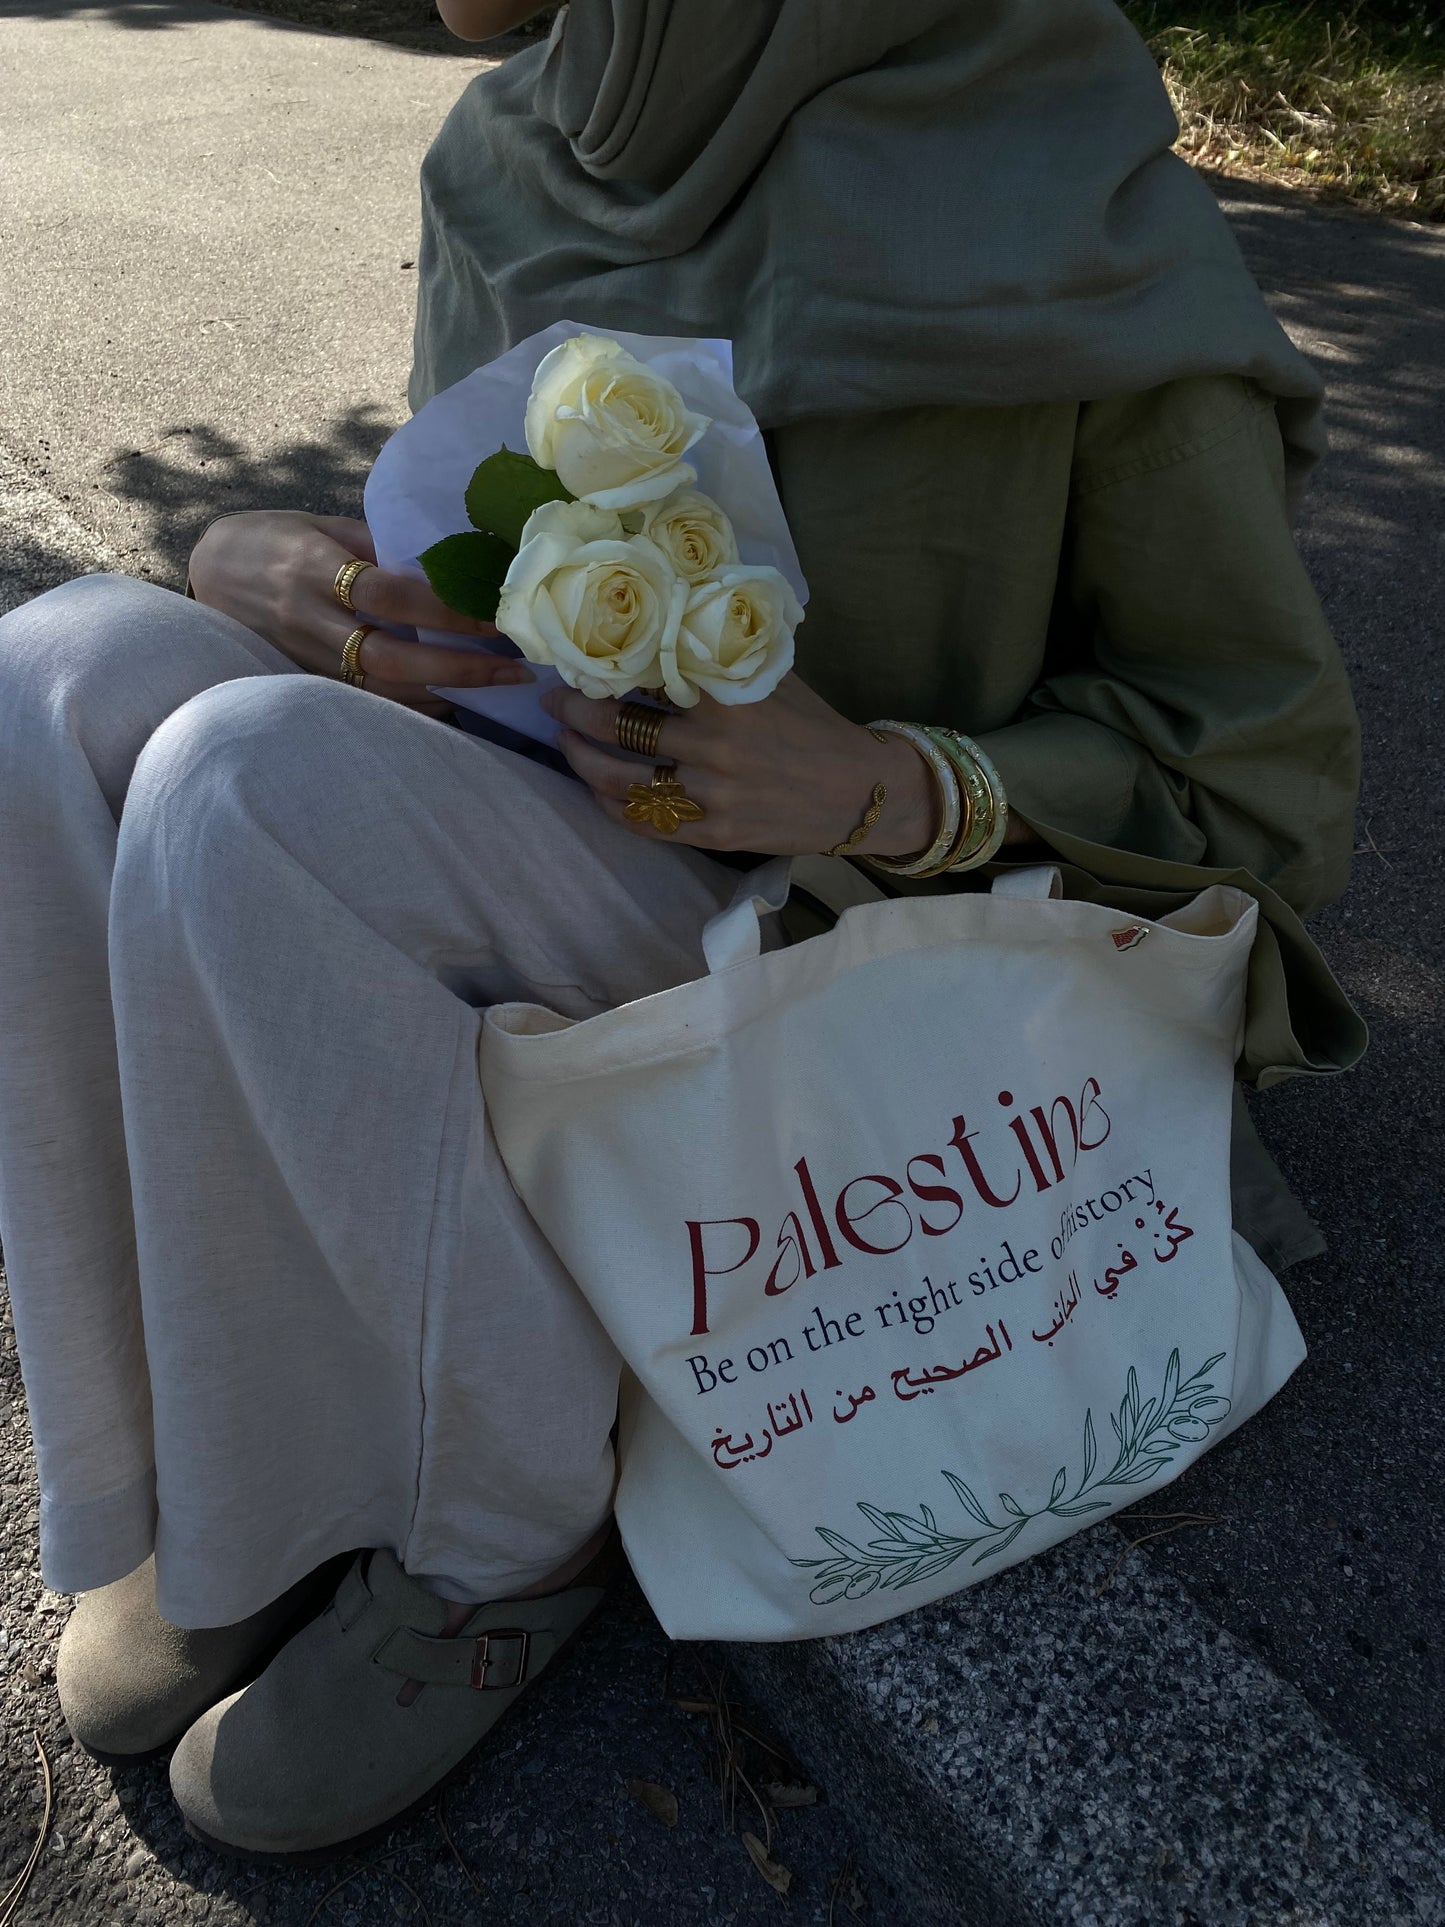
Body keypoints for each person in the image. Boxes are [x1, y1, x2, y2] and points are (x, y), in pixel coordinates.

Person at [0, 0, 1363, 1861]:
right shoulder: (525, 145)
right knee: (55, 670)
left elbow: (1267, 791)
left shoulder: (1051, 183)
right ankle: (221, 1482)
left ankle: (503, 1532)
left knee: (247, 785)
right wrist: (315, 591)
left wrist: (888, 779)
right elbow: (494, 583)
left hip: (875, 949)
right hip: (602, 869)